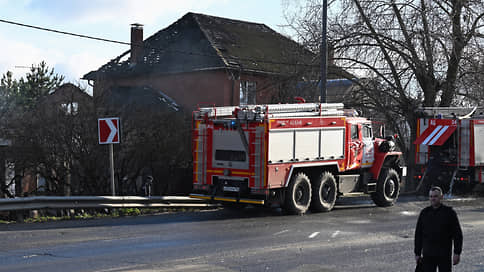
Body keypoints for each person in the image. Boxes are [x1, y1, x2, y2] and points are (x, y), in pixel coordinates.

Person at [414, 186, 463, 272]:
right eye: (431, 196)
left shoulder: (449, 213)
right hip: (428, 254)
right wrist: (417, 253)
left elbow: (457, 234)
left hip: (444, 254)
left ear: (441, 197)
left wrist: (457, 253)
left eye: (435, 196)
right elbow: (418, 234)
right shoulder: (424, 213)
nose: (433, 199)